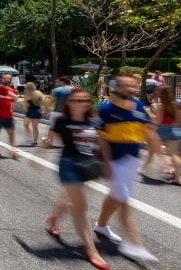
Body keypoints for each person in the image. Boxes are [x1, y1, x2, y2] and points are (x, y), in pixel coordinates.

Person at [39, 88, 110, 270]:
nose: (82, 104)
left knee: (71, 200)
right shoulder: (62, 120)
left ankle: (53, 219)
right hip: (69, 165)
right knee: (81, 208)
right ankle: (91, 250)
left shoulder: (94, 121)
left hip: (88, 165)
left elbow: (102, 144)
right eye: (77, 100)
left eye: (85, 100)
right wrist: (38, 153)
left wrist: (108, 165)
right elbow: (50, 139)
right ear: (69, 103)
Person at [93, 74, 159, 263]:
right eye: (126, 86)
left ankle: (101, 225)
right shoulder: (105, 109)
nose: (131, 89)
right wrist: (106, 163)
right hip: (114, 161)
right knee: (123, 199)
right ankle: (134, 245)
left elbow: (149, 134)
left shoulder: (139, 107)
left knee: (116, 197)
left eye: (133, 86)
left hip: (132, 160)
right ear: (116, 87)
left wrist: (163, 158)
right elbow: (102, 139)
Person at [149, 86, 181, 185]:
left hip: (163, 129)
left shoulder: (161, 106)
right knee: (175, 154)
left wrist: (150, 114)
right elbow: (179, 119)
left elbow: (158, 121)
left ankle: (165, 167)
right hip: (176, 129)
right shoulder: (178, 105)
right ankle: (178, 177)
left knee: (156, 150)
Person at [45, 77, 73, 142]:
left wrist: (46, 109)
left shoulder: (57, 90)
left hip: (57, 112)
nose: (57, 83)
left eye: (58, 82)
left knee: (52, 127)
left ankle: (49, 140)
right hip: (68, 113)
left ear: (62, 82)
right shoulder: (72, 89)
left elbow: (51, 101)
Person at [23, 81, 45, 146]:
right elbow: (44, 101)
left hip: (30, 111)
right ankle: (35, 140)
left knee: (26, 125)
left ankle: (29, 138)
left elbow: (25, 105)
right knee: (35, 127)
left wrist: (26, 112)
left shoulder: (27, 94)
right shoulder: (39, 93)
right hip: (38, 110)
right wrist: (44, 110)